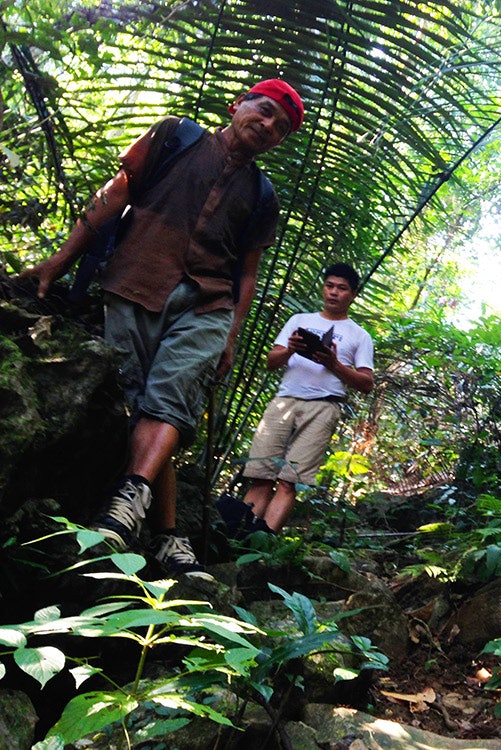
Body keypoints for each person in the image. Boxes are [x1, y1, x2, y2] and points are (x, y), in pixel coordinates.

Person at [21, 78, 305, 579]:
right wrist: (57, 263)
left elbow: (248, 273)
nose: (267, 126)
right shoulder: (175, 135)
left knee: (170, 400)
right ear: (237, 105)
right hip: (134, 282)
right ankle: (168, 537)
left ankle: (123, 508)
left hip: (207, 304)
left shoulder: (262, 195)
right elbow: (116, 193)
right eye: (263, 111)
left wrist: (231, 337)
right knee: (140, 405)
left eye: (280, 127)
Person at [222, 262, 374, 536]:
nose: (333, 292)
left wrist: (334, 364)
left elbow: (366, 383)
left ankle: (264, 539)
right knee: (260, 474)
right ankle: (237, 537)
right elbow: (271, 362)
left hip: (324, 406)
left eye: (341, 288)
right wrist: (290, 349)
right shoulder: (299, 320)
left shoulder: (359, 335)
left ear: (353, 294)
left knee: (289, 481)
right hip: (284, 401)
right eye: (329, 286)